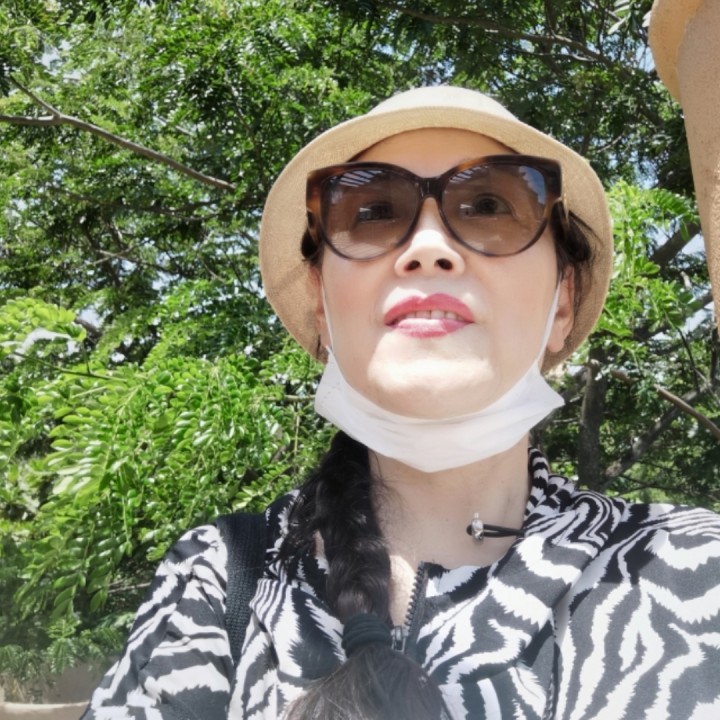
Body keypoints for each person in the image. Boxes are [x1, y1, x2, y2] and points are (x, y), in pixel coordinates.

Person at [81, 86, 720, 720]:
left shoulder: (693, 566)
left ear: (562, 301)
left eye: (490, 205)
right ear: (321, 305)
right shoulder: (219, 578)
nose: (428, 248)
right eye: (374, 212)